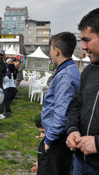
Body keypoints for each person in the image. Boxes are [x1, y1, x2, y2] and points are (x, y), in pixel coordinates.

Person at [39, 32, 81, 175]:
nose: (50, 53)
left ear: (56, 50)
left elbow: (61, 112)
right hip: (57, 137)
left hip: (57, 141)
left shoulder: (66, 74)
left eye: (50, 49)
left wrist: (49, 141)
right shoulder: (68, 70)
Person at [66, 8, 99, 174]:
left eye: (87, 40)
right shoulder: (88, 71)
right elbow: (76, 105)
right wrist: (72, 129)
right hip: (80, 162)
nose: (83, 47)